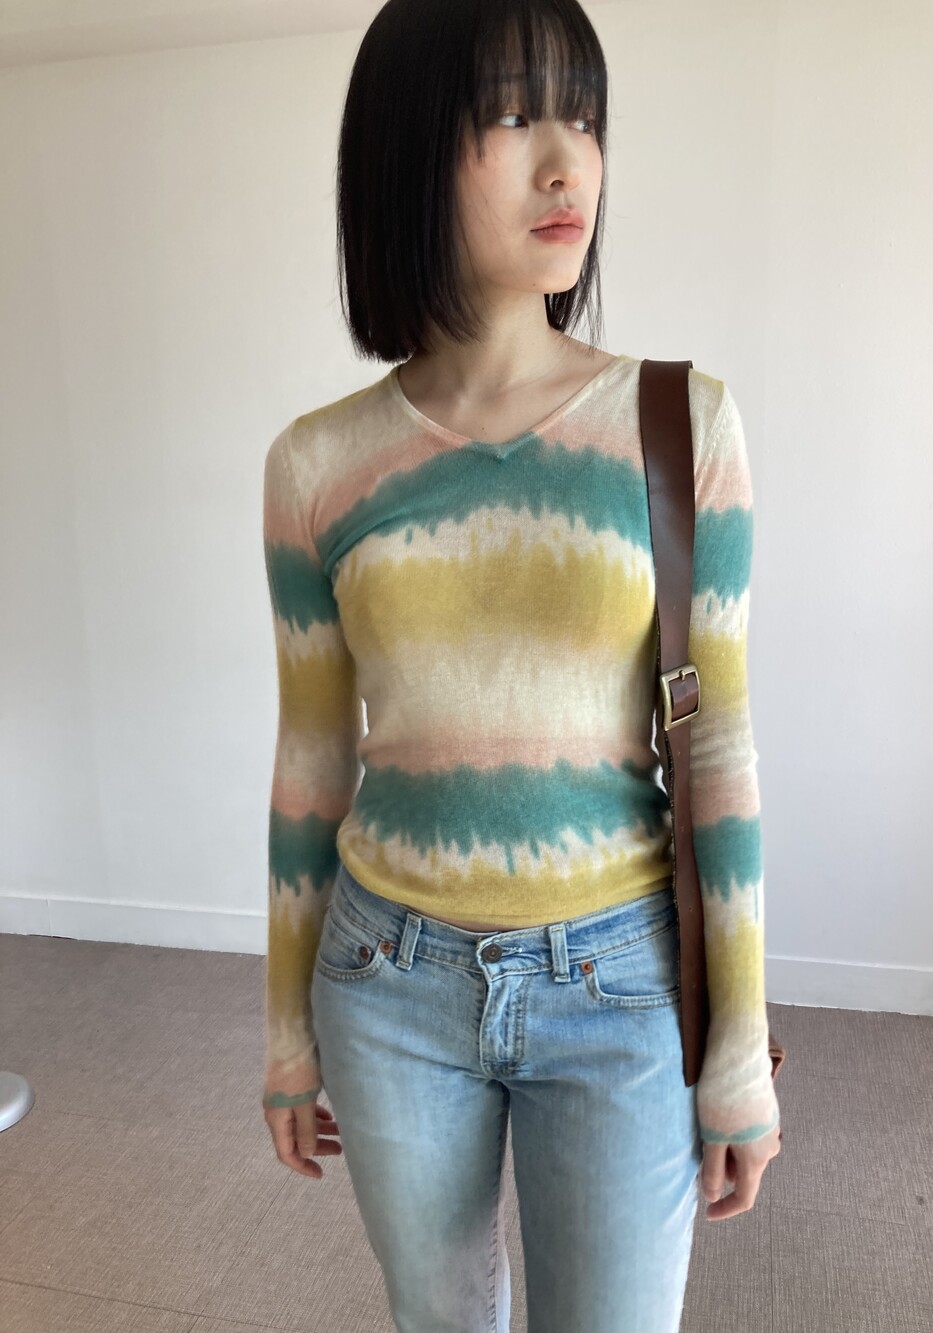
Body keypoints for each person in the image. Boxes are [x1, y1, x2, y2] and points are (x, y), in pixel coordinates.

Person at [260, 0, 781, 1328]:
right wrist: (284, 1031)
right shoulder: (317, 465)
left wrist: (739, 1045)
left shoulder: (681, 424)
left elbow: (718, 749)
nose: (568, 166)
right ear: (404, 151)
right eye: (510, 116)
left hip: (620, 981)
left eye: (584, 121)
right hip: (385, 979)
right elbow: (314, 759)